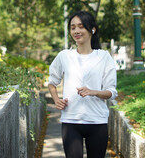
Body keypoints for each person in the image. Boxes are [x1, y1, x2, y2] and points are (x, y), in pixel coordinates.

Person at [48, 11, 117, 158]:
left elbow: (111, 92)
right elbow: (52, 82)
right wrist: (56, 100)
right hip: (70, 121)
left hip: (97, 121)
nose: (76, 31)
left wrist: (94, 92)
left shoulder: (104, 57)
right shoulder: (64, 56)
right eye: (73, 27)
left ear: (92, 29)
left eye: (81, 26)